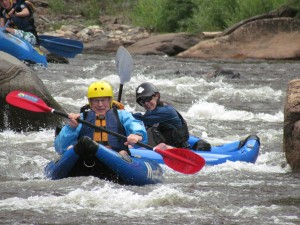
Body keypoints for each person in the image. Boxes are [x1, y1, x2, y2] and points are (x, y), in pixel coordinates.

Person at [54, 81, 147, 177]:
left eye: (104, 100)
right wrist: (70, 128)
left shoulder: (122, 115)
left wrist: (137, 135)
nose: (100, 104)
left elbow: (135, 124)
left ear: (110, 100)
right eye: (96, 100)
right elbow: (60, 148)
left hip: (116, 158)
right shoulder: (80, 119)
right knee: (70, 148)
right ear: (90, 102)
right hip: (86, 160)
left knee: (123, 153)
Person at [133, 82, 190, 148]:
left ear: (156, 96)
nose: (146, 103)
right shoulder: (153, 111)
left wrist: (121, 113)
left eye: (148, 99)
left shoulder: (166, 111)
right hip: (167, 146)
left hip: (178, 150)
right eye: (142, 101)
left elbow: (141, 119)